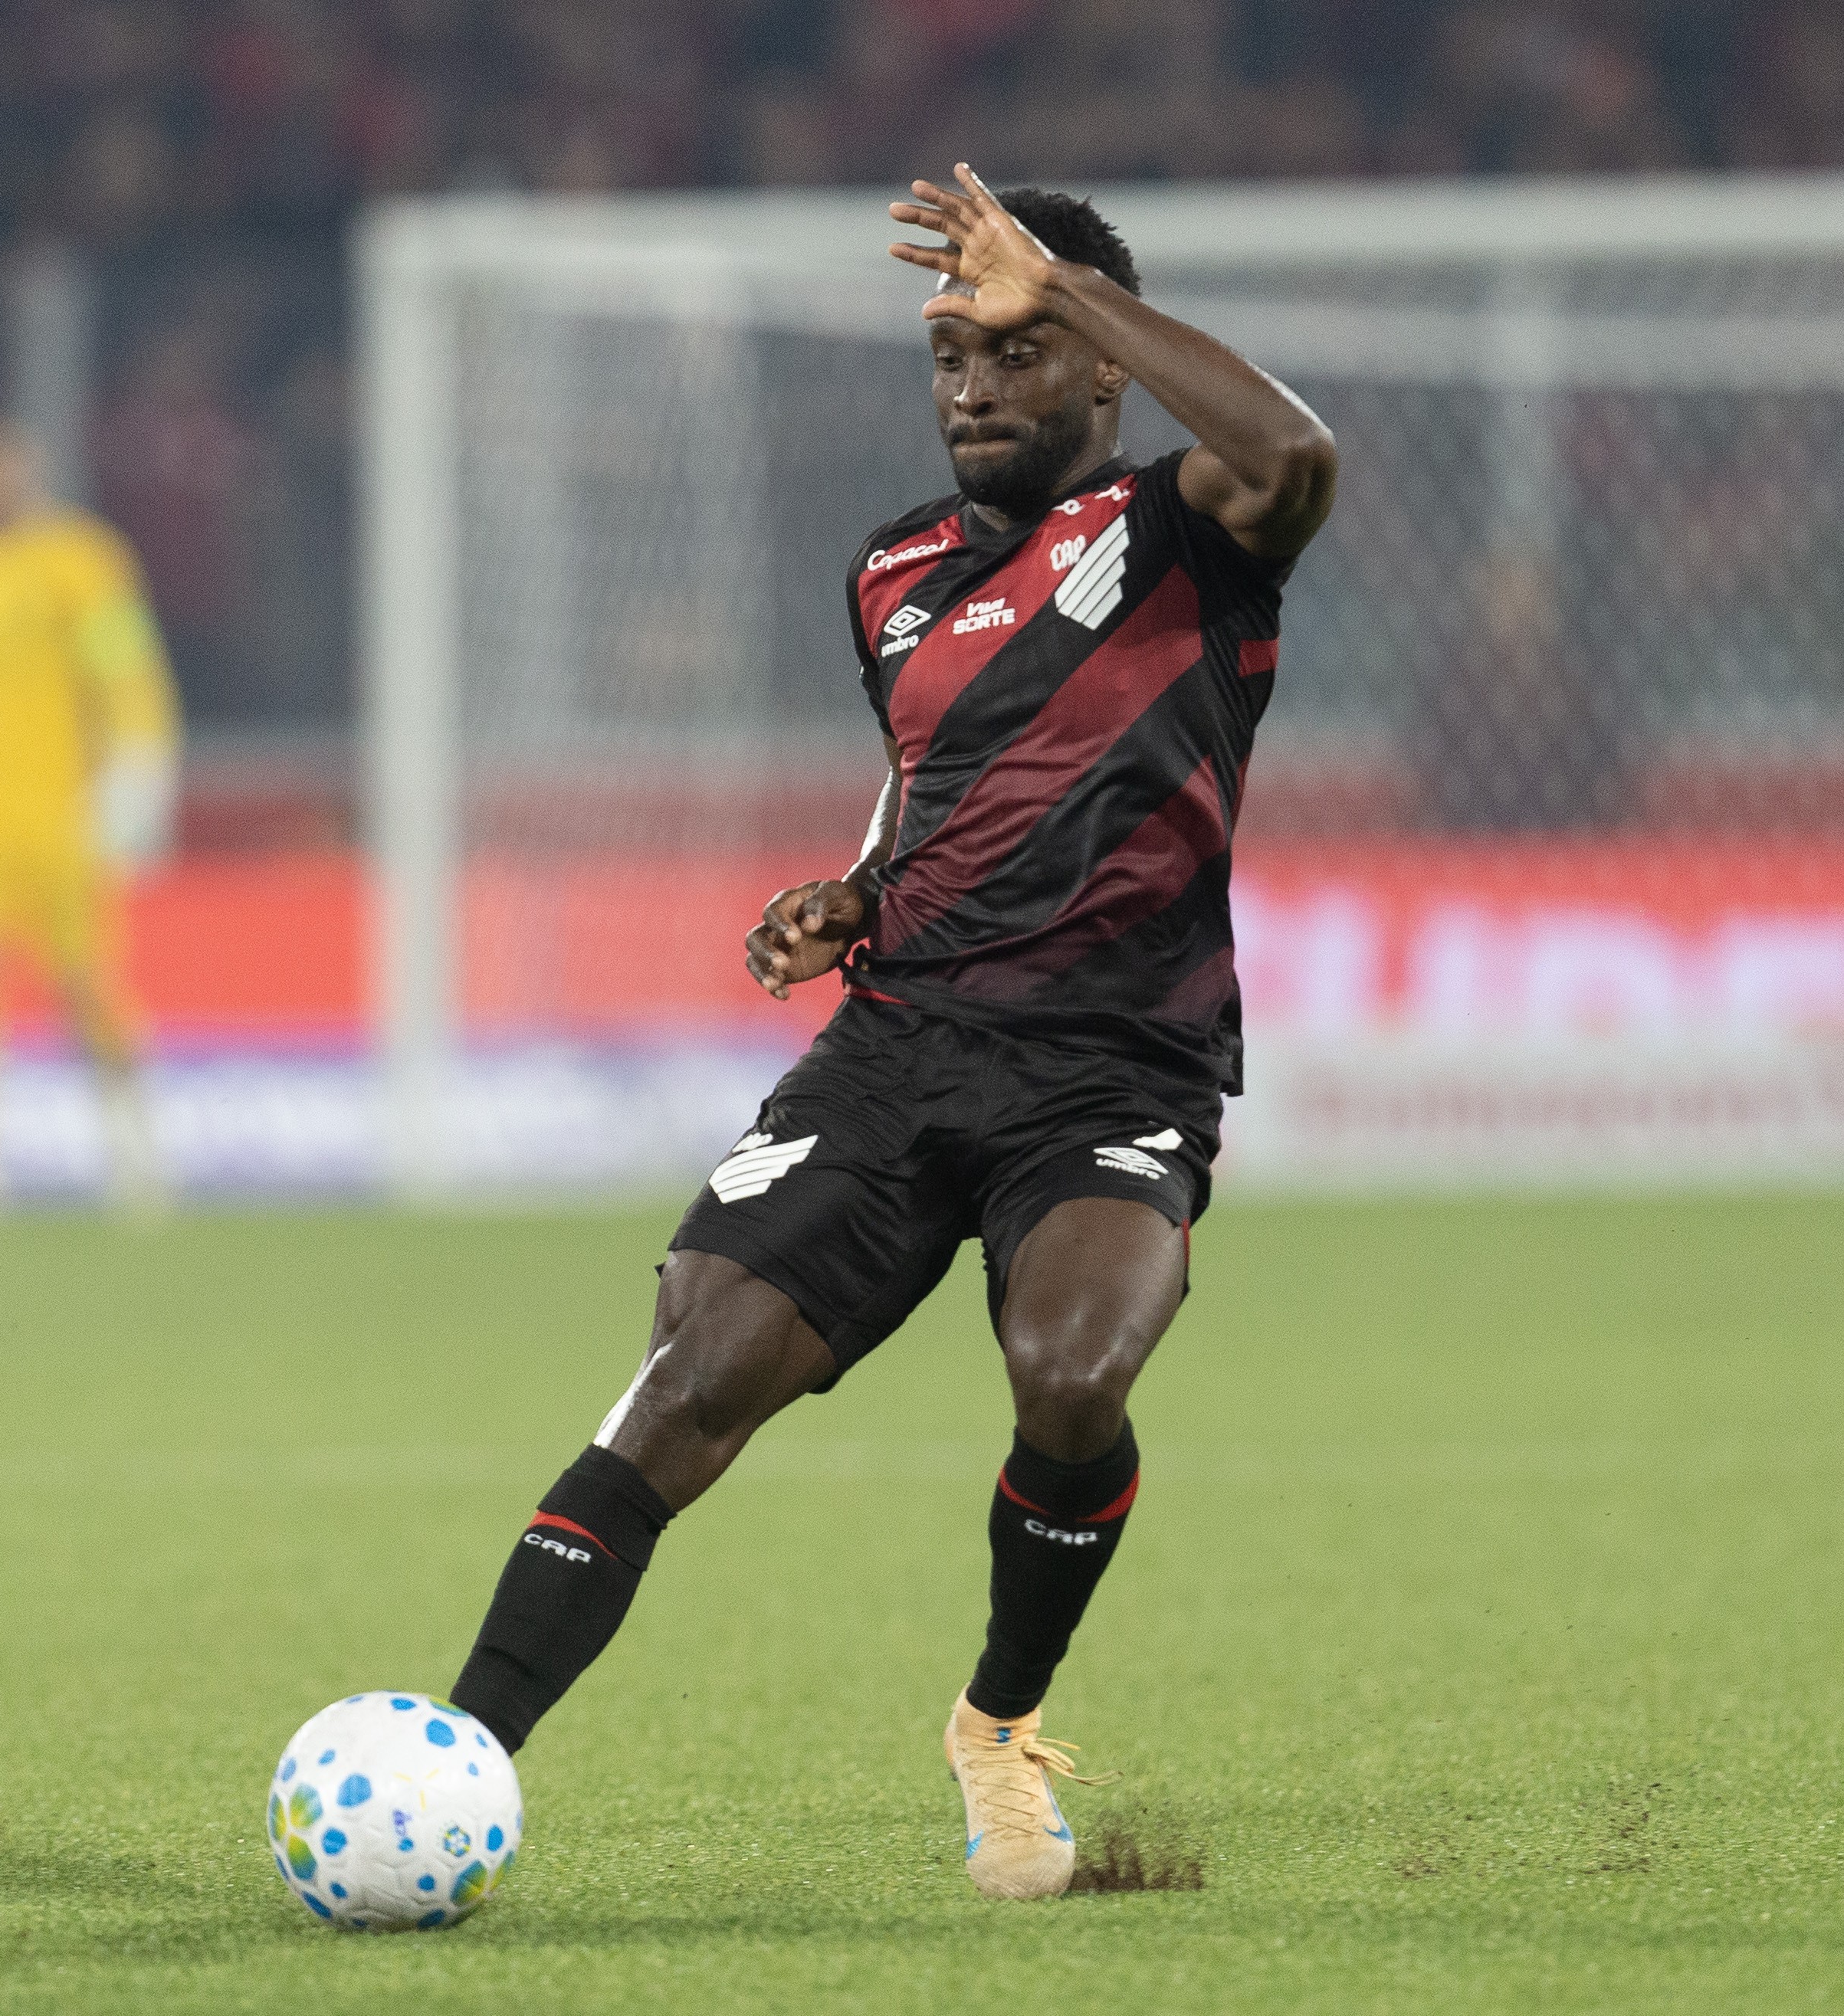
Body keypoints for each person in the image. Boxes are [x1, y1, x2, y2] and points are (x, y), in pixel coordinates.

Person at [441, 167, 1338, 1902]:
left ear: (1092, 367)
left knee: (1069, 1373)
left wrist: (1063, 283)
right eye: (946, 352)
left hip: (1110, 1061)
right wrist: (854, 890)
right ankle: (454, 1753)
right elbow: (931, 781)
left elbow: (1297, 452)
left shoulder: (1189, 526)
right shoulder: (893, 571)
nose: (970, 385)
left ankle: (993, 1720)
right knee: (681, 1379)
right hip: (893, 1049)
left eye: (1009, 346)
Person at [0, 417, 180, 1226]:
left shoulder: (82, 560)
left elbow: (127, 668)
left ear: (29, 470)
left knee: (87, 984)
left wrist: (140, 771)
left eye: (4, 468)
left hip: (61, 811)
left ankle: (135, 1153)